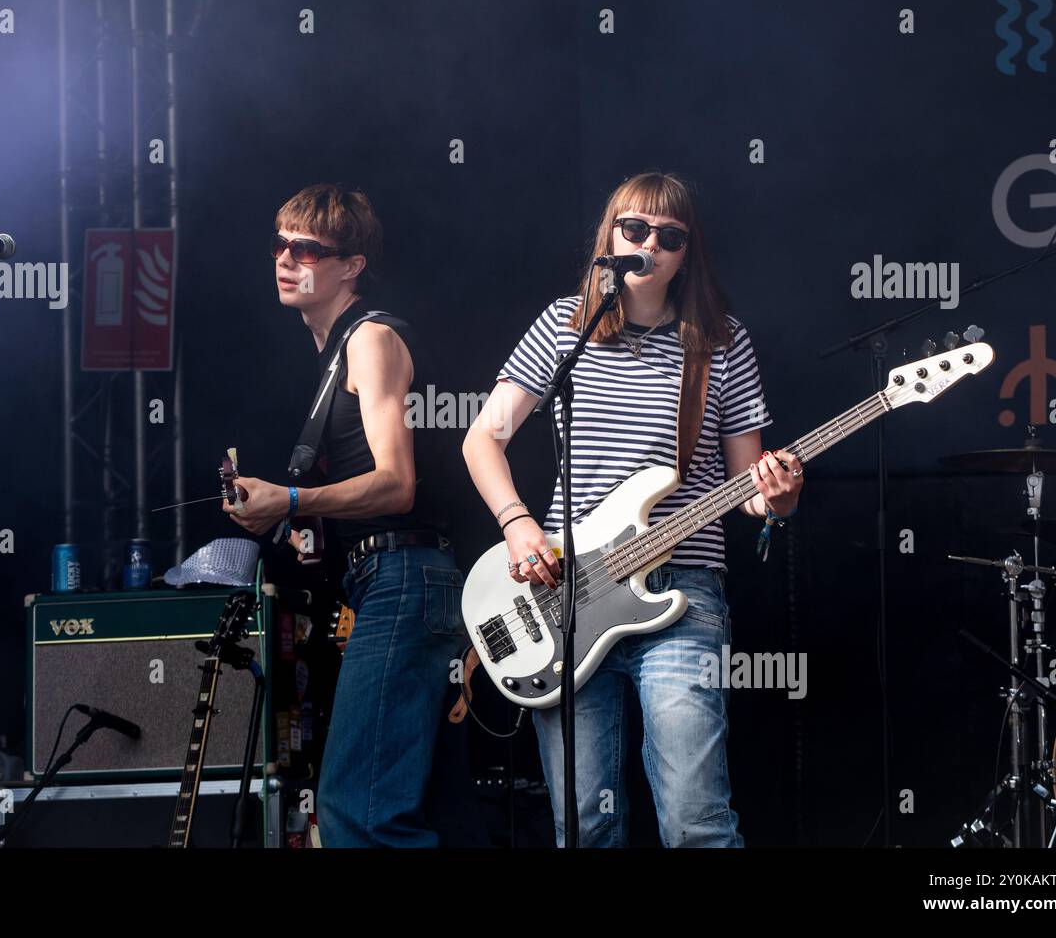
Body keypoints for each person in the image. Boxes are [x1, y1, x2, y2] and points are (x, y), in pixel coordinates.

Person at [461, 171, 803, 847]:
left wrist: (778, 499)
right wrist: (519, 523)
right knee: (586, 822)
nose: (650, 243)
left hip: (683, 591)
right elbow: (483, 438)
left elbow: (750, 485)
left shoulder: (720, 340)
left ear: (686, 252)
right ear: (610, 237)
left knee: (693, 816)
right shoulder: (565, 325)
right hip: (567, 594)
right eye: (635, 229)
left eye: (669, 235)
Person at [224, 183, 465, 846]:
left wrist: (293, 499)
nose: (286, 258)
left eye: (308, 248)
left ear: (353, 264)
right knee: (373, 806)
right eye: (281, 243)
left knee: (360, 808)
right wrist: (277, 510)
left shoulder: (371, 338)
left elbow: (396, 485)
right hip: (384, 580)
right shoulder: (333, 354)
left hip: (403, 577)